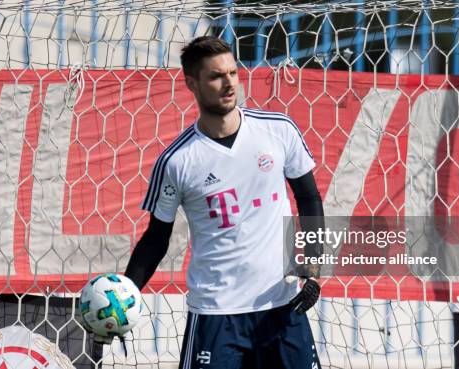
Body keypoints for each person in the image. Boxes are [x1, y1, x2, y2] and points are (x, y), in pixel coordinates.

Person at [125, 36, 324, 369]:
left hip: (282, 304)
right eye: (216, 76)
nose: (229, 82)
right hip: (217, 315)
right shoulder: (176, 161)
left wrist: (315, 269)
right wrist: (124, 297)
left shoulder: (278, 131)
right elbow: (156, 238)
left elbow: (309, 198)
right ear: (193, 83)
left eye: (232, 72)